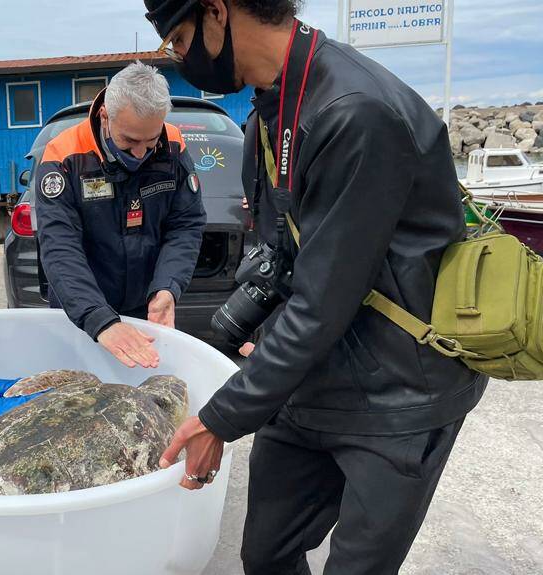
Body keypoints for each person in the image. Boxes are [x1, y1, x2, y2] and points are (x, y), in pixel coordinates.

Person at [144, 1, 488, 573]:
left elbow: (323, 300)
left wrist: (218, 419)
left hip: (399, 397)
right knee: (267, 556)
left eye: (177, 39)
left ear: (215, 13)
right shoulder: (267, 112)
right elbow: (281, 255)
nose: (178, 58)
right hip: (309, 385)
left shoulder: (356, 110)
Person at [35, 61, 206, 369]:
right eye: (130, 141)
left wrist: (168, 286)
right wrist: (99, 319)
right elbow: (59, 246)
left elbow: (185, 224)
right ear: (105, 116)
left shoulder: (173, 144)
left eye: (150, 142)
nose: (140, 154)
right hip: (82, 312)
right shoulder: (64, 156)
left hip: (145, 306)